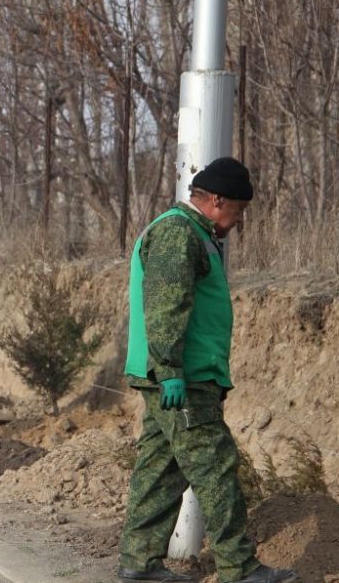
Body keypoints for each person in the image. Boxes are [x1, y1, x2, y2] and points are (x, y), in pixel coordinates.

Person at [118, 158, 297, 583]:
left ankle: (140, 563)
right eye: (238, 208)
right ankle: (239, 567)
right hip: (181, 379)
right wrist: (171, 371)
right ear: (216, 200)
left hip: (181, 376)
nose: (240, 218)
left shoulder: (189, 233)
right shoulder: (178, 234)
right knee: (216, 466)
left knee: (161, 469)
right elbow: (165, 308)